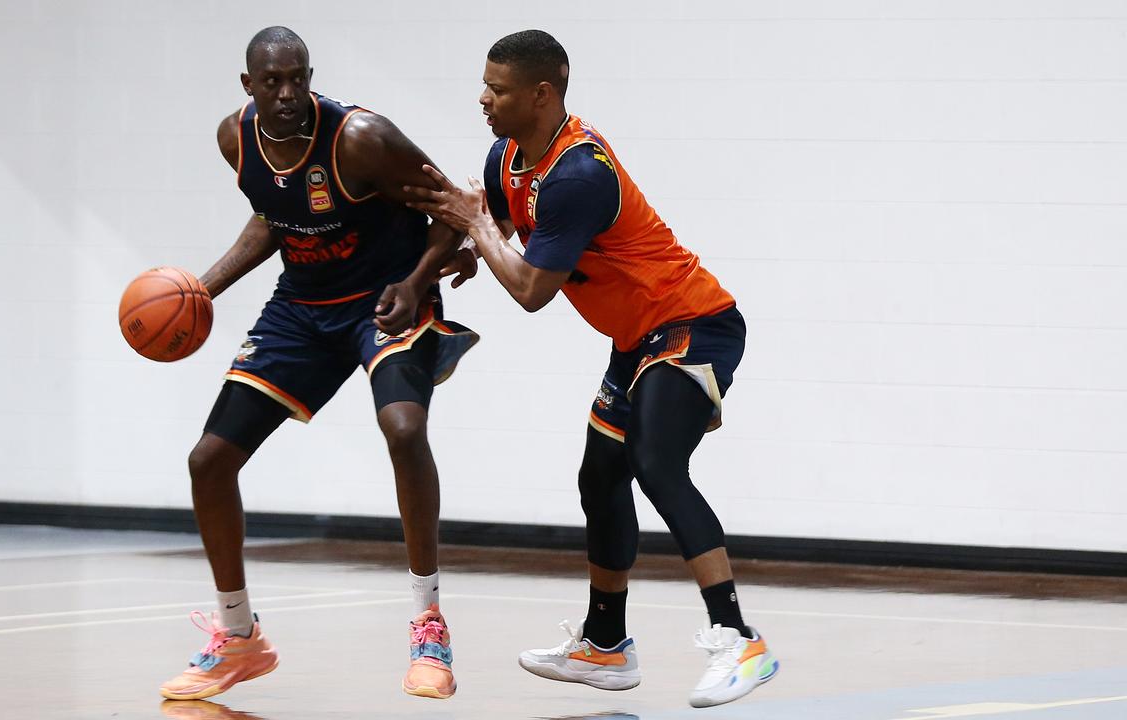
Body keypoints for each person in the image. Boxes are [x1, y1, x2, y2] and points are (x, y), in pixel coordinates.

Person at [407, 29, 778, 708]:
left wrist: (479, 233)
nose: (483, 99)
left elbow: (530, 292)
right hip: (638, 338)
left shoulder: (579, 173)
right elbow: (504, 232)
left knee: (656, 463)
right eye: (484, 84)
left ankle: (739, 639)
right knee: (600, 474)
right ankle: (605, 646)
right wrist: (467, 252)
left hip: (695, 324)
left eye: (498, 88)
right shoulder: (509, 158)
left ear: (542, 94)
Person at [158, 26, 479, 703]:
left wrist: (419, 280)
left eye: (296, 78)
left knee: (402, 429)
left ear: (310, 76)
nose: (286, 93)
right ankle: (239, 636)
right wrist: (202, 289)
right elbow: (275, 217)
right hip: (302, 307)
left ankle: (429, 624)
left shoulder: (362, 138)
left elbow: (454, 208)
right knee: (207, 461)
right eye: (271, 82)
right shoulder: (235, 139)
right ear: (248, 86)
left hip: (386, 299)